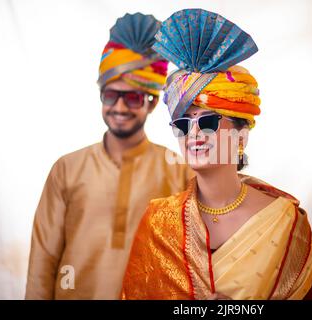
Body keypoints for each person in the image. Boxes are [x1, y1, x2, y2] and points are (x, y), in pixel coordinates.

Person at [122, 8, 312, 300]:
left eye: (209, 121)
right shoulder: (159, 221)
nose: (194, 134)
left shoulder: (286, 222)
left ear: (241, 134)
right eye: (183, 124)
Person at [25, 13, 191, 299]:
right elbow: (43, 261)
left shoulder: (178, 171)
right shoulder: (67, 169)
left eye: (134, 97)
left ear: (151, 103)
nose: (120, 106)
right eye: (111, 95)